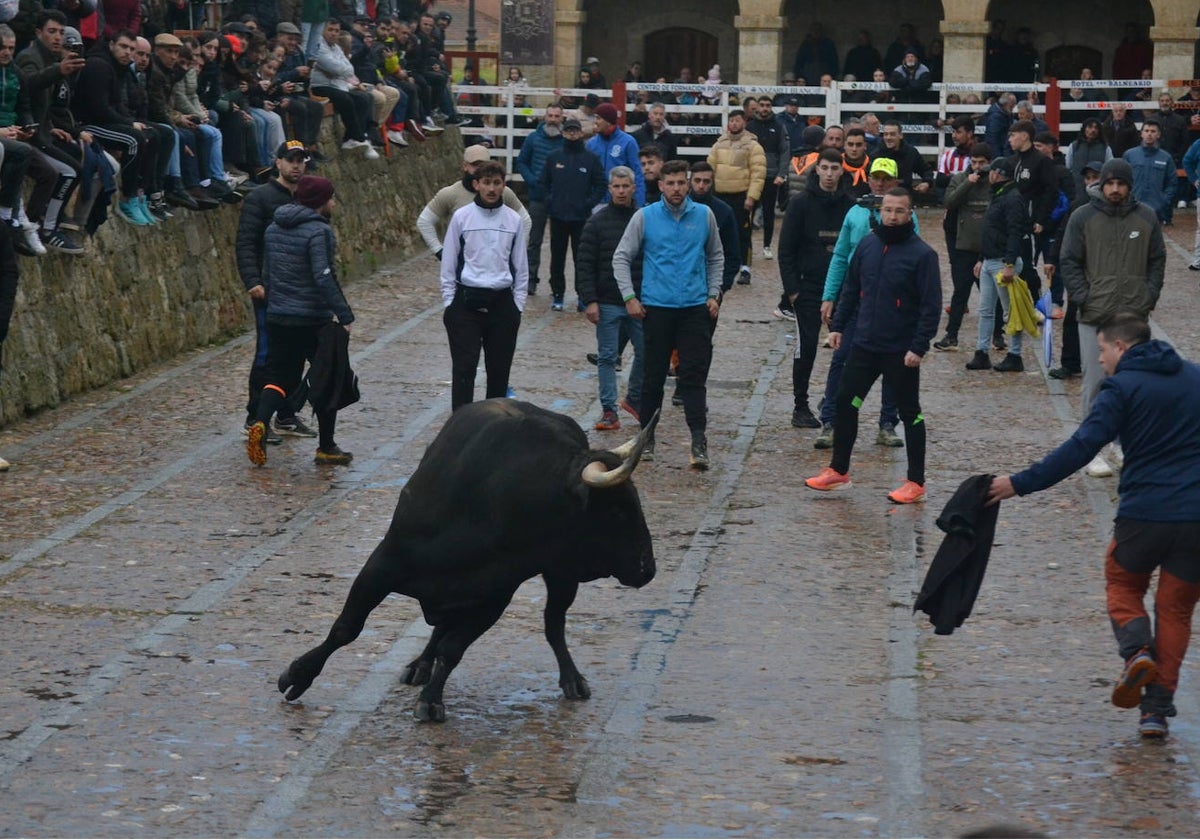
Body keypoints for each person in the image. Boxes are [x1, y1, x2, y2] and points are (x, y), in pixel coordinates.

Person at [986, 313, 1200, 740]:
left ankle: (1137, 652)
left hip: (1144, 515)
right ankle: (1155, 711)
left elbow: (1083, 447)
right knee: (1175, 610)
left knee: (1122, 584)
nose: (1099, 361)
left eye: (1101, 350)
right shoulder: (1194, 378)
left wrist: (1020, 483)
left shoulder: (1120, 388)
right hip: (1196, 520)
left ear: (1121, 347)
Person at [804, 187, 940, 504]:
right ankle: (839, 471)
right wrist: (838, 327)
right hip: (864, 344)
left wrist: (919, 347)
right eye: (887, 210)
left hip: (901, 350)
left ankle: (915, 482)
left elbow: (931, 307)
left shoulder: (923, 255)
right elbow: (852, 288)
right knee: (844, 403)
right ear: (879, 211)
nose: (892, 216)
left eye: (899, 211)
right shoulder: (868, 244)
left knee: (910, 415)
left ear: (910, 214)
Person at [612, 159, 723, 469]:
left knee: (693, 376)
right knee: (652, 376)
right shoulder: (644, 217)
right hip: (656, 308)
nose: (676, 189)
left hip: (694, 308)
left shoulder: (704, 216)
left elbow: (715, 256)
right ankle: (646, 439)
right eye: (670, 183)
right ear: (660, 185)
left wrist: (714, 294)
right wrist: (629, 296)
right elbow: (621, 257)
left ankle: (698, 441)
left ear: (687, 184)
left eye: (681, 183)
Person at [1059, 157, 1165, 478]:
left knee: (1129, 384)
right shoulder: (1083, 217)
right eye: (1110, 183)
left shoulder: (1146, 217)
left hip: (1133, 317)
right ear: (1101, 184)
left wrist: (1148, 296)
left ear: (1129, 186)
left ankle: (1120, 444)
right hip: (1094, 315)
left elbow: (1157, 260)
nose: (1115, 189)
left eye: (1121, 184)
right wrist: (1084, 296)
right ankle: (1089, 449)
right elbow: (1069, 260)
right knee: (1094, 384)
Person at [245, 175, 355, 467]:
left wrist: (276, 307)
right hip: (313, 319)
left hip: (280, 316)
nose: (333, 202)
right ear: (320, 201)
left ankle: (260, 421)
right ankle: (327, 446)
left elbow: (268, 273)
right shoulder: (319, 231)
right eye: (331, 198)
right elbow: (323, 275)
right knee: (327, 378)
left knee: (280, 377)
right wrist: (343, 314)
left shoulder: (274, 227)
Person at [815, 157, 913, 449]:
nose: (880, 182)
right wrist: (829, 295)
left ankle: (887, 423)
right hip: (857, 300)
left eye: (886, 178)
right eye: (876, 177)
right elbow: (840, 257)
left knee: (894, 367)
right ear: (868, 179)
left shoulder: (908, 216)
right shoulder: (855, 213)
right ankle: (830, 421)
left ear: (895, 181)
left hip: (893, 305)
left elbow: (915, 261)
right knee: (841, 360)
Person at [236, 139, 316, 443]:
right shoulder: (261, 198)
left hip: (300, 291)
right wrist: (252, 280)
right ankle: (255, 417)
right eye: (290, 159)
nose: (296, 165)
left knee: (297, 355)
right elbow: (245, 242)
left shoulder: (308, 195)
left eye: (301, 160)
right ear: (278, 162)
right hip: (269, 290)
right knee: (267, 355)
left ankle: (286, 414)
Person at [439, 160, 528, 411]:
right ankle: (461, 422)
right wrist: (449, 300)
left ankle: (493, 426)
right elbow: (448, 261)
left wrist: (517, 304)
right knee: (465, 368)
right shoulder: (462, 217)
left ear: (503, 186)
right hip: (466, 302)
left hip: (502, 303)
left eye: (497, 183)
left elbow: (521, 265)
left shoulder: (513, 220)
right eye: (486, 183)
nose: (491, 188)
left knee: (499, 370)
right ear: (476, 185)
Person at [778, 148, 855, 430]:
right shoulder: (800, 204)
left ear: (842, 171)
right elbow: (786, 250)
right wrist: (792, 291)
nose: (830, 174)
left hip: (843, 290)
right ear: (817, 169)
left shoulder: (851, 204)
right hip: (808, 287)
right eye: (825, 168)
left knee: (845, 350)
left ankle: (831, 399)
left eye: (835, 169)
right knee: (806, 347)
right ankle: (800, 405)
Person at [577, 165, 644, 432]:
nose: (620, 191)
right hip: (606, 300)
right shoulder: (596, 222)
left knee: (647, 353)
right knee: (607, 357)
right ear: (609, 189)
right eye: (616, 186)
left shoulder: (643, 220)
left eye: (625, 186)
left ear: (633, 188)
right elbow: (584, 263)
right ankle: (609, 410)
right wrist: (589, 300)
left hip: (638, 301)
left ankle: (635, 398)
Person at [964, 156, 1031, 373]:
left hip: (1003, 262)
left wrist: (1010, 263)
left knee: (1009, 313)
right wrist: (982, 258)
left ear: (997, 174)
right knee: (986, 310)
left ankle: (1015, 354)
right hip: (991, 261)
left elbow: (1015, 232)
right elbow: (992, 232)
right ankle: (982, 351)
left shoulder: (1010, 198)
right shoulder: (1002, 195)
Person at [417, 145, 531, 263]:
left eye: (483, 165)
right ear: (465, 166)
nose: (479, 169)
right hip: (462, 262)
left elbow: (525, 220)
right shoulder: (450, 193)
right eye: (475, 165)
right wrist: (439, 250)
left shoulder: (503, 192)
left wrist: (517, 250)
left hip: (496, 262)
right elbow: (424, 221)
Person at [934, 143, 995, 352]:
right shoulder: (960, 178)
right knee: (960, 292)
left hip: (988, 247)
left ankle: (998, 335)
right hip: (962, 245)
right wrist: (968, 184)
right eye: (974, 162)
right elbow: (949, 202)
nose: (978, 167)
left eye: (982, 163)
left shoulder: (995, 180)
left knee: (990, 295)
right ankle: (951, 335)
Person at [540, 117, 605, 311]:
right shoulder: (554, 157)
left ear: (580, 133)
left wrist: (588, 204)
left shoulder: (590, 158)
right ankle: (558, 294)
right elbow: (542, 183)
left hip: (581, 218)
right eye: (568, 131)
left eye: (575, 131)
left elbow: (600, 185)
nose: (572, 135)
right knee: (557, 258)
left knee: (582, 259)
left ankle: (582, 296)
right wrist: (550, 202)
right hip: (558, 216)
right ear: (563, 133)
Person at [707, 108, 765, 285]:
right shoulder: (718, 144)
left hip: (741, 196)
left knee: (743, 233)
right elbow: (709, 169)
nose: (734, 123)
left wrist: (752, 197)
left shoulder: (753, 146)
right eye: (731, 120)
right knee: (717, 232)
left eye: (737, 120)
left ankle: (745, 268)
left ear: (744, 123)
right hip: (719, 196)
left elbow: (758, 173)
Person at [311, 18, 379, 160]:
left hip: (336, 85)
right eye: (330, 30)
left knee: (364, 98)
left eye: (336, 31)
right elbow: (334, 66)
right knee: (345, 99)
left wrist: (338, 70)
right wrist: (338, 70)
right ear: (323, 30)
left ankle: (350, 138)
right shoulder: (318, 45)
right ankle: (359, 137)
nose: (333, 34)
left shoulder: (336, 48)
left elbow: (349, 68)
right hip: (320, 86)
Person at [514, 102, 563, 296]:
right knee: (534, 241)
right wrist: (532, 180)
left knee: (558, 244)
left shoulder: (565, 141)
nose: (552, 119)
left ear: (562, 118)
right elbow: (522, 162)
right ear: (545, 116)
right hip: (537, 197)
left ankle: (556, 284)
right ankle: (530, 280)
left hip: (560, 198)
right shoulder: (533, 138)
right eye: (550, 115)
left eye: (556, 116)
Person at [746, 95, 789, 260]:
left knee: (769, 212)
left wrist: (781, 174)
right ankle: (747, 245)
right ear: (757, 107)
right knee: (748, 211)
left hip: (772, 176)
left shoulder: (779, 126)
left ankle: (767, 246)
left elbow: (785, 151)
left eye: (768, 105)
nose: (765, 108)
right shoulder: (750, 126)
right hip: (753, 176)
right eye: (762, 105)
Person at [586, 101, 644, 207]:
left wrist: (639, 204)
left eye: (598, 118)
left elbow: (638, 174)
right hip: (597, 203)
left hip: (622, 203)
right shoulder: (591, 144)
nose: (596, 122)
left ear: (608, 121)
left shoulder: (628, 142)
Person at [1123, 119, 1176, 224]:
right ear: (1141, 133)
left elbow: (1172, 183)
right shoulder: (1129, 155)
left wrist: (1164, 200)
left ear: (1158, 134)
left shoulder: (1166, 158)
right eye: (1146, 131)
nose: (1149, 134)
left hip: (1156, 210)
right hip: (1132, 207)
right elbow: (1122, 179)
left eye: (1153, 131)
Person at [874, 120, 932, 194]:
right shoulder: (876, 155)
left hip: (905, 194)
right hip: (882, 196)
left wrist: (927, 183)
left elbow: (926, 170)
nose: (888, 137)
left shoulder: (911, 152)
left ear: (901, 135)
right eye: (886, 134)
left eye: (892, 134)